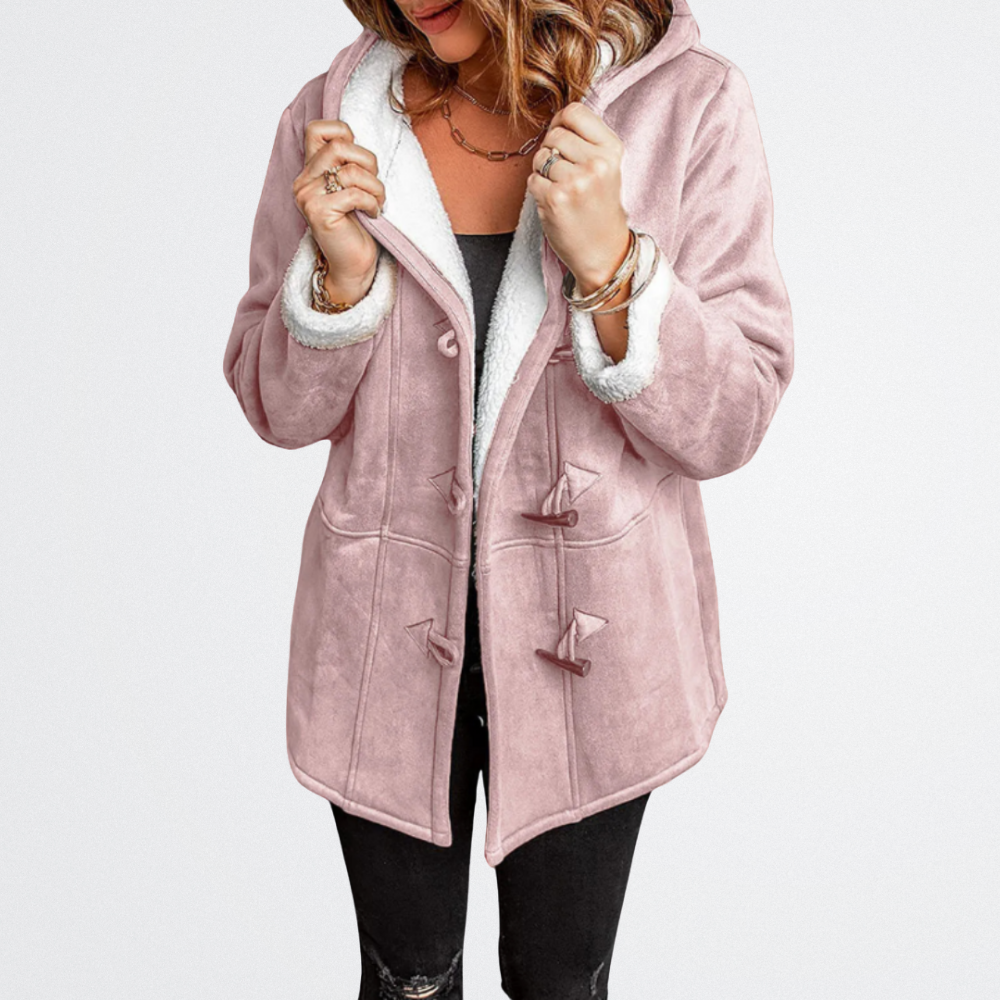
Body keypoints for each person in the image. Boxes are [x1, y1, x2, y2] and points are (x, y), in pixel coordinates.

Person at [223, 1, 794, 997]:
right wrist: (339, 281)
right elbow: (274, 406)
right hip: (381, 644)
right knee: (403, 982)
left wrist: (615, 267)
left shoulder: (689, 108)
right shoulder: (335, 117)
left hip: (597, 650)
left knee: (558, 982)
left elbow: (731, 419)